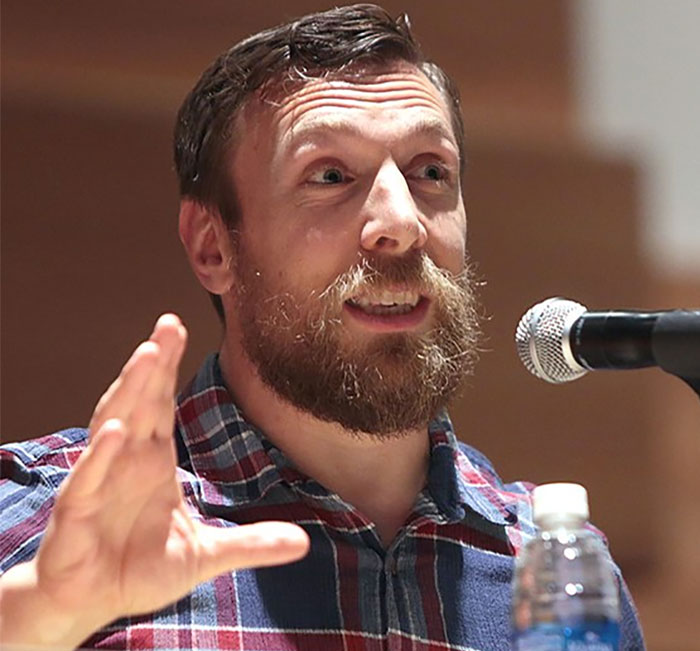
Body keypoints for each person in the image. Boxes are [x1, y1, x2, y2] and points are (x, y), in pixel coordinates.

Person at [0, 4, 644, 650]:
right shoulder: (52, 525)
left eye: (430, 172)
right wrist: (43, 616)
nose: (401, 221)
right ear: (212, 247)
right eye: (330, 176)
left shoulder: (558, 570)